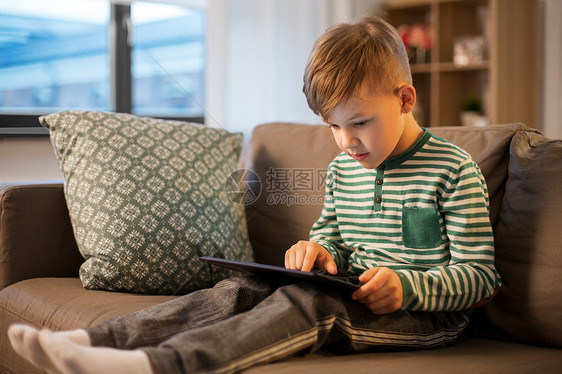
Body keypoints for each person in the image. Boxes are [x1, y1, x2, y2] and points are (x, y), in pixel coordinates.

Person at [8, 16, 501, 374]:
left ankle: (158, 365)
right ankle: (95, 342)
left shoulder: (452, 169)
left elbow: (480, 278)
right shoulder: (342, 168)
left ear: (405, 99)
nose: (346, 141)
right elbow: (331, 236)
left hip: (425, 317)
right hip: (351, 287)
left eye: (359, 123)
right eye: (332, 126)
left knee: (310, 308)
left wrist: (407, 288)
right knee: (239, 289)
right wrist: (317, 251)